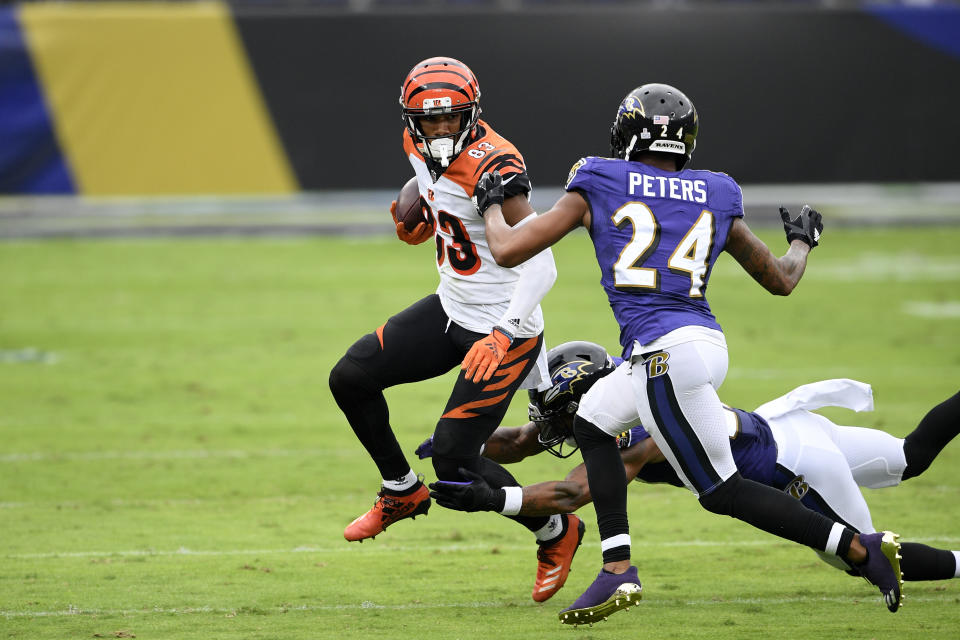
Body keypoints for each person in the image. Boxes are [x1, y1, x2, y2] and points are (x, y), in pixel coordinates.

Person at [458, 83, 905, 622]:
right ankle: (616, 567)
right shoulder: (715, 190)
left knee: (722, 492)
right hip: (689, 344)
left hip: (664, 353)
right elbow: (782, 280)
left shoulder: (599, 177)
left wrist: (490, 206)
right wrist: (802, 241)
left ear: (626, 133)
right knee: (594, 425)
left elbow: (506, 249)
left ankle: (861, 548)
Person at [327, 57, 583, 603]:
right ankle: (399, 490)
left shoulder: (497, 166)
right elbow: (427, 182)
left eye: (452, 119)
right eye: (429, 120)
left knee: (454, 464)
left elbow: (542, 265)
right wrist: (418, 209)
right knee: (349, 378)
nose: (440, 129)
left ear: (473, 113)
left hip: (502, 328)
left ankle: (557, 530)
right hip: (451, 308)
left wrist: (507, 332)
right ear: (411, 119)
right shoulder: (414, 143)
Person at [426, 341, 960, 602]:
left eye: (558, 413)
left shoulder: (641, 436)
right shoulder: (628, 401)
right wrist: (460, 440)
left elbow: (573, 493)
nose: (550, 427)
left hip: (795, 468)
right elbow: (523, 442)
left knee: (864, 557)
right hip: (787, 426)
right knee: (911, 456)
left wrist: (493, 501)